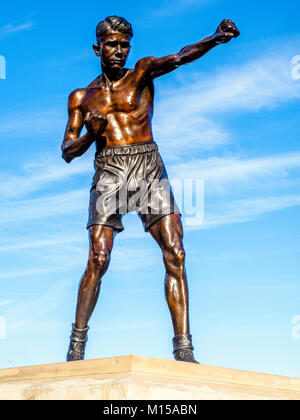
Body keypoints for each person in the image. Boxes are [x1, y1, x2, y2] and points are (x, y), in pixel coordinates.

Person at [61, 16, 240, 363]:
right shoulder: (82, 97)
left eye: (124, 44)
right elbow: (66, 152)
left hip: (147, 167)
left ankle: (183, 348)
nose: (118, 51)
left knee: (176, 252)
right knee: (98, 259)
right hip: (109, 171)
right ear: (97, 48)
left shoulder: (141, 72)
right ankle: (76, 346)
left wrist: (215, 38)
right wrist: (90, 134)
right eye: (111, 44)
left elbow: (179, 56)